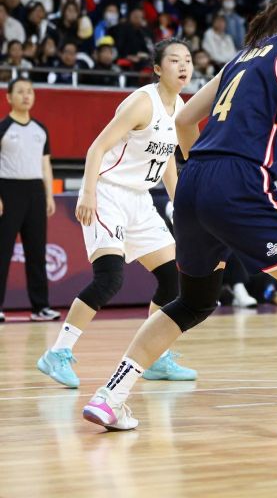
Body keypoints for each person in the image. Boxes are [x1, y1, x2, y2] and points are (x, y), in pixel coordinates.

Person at [81, 0, 277, 436]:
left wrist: (203, 167)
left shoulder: (242, 57)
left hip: (195, 182)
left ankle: (110, 396)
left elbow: (182, 119)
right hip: (241, 180)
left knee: (192, 301)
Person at [37, 40, 196, 389]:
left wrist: (181, 205)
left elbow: (168, 160)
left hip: (141, 200)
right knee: (109, 279)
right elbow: (98, 146)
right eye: (174, 60)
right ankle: (57, 353)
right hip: (109, 193)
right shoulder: (143, 101)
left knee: (174, 278)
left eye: (187, 60)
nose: (183, 66)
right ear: (157, 68)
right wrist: (88, 192)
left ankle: (154, 356)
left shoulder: (179, 106)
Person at [0, 78, 57, 322]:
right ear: (8, 97)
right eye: (20, 92)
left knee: (37, 252)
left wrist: (49, 194)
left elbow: (46, 165)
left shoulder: (40, 129)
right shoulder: (3, 128)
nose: (26, 95)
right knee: (2, 252)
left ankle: (40, 307)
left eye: (30, 91)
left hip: (35, 191)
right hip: (8, 191)